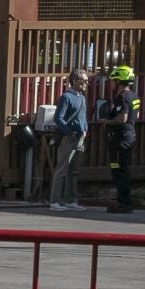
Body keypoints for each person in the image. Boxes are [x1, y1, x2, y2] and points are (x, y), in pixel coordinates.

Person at [97, 65, 140, 214]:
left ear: (119, 80)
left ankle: (124, 203)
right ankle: (124, 201)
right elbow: (135, 117)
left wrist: (107, 122)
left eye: (114, 80)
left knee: (118, 170)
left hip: (120, 139)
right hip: (129, 136)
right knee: (123, 170)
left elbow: (123, 118)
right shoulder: (134, 96)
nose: (112, 83)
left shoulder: (122, 97)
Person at [48, 70, 89, 211]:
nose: (86, 83)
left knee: (74, 170)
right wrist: (69, 132)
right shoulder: (66, 97)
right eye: (84, 80)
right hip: (68, 137)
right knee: (62, 169)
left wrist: (85, 128)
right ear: (76, 81)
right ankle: (54, 201)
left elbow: (83, 117)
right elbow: (58, 118)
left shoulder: (82, 97)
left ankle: (71, 200)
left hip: (80, 137)